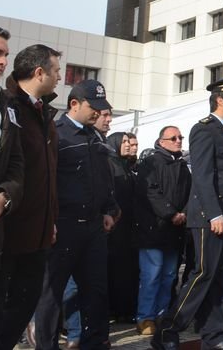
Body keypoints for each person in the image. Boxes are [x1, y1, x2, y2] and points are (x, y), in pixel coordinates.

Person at [152, 76, 223, 350]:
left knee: (215, 277)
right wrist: (215, 214)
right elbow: (204, 177)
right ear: (220, 100)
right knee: (202, 274)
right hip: (210, 217)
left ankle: (214, 336)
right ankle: (167, 331)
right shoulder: (204, 129)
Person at [34, 80, 119, 350]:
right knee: (51, 293)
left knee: (95, 291)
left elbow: (102, 178)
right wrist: (48, 220)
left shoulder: (96, 137)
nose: (98, 113)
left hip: (94, 227)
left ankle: (93, 343)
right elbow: (42, 182)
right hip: (64, 226)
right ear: (74, 104)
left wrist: (107, 209)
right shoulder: (55, 134)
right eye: (93, 108)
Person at [0, 44, 59, 349]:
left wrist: (51, 218)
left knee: (26, 301)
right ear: (39, 72)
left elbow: (48, 175)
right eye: (56, 70)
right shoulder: (8, 106)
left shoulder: (44, 113)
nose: (60, 77)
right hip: (9, 228)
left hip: (38, 232)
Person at [133, 126, 191, 335]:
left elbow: (190, 192)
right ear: (161, 141)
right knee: (152, 275)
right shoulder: (151, 162)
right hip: (153, 230)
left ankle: (162, 314)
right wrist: (171, 213)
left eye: (180, 137)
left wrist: (183, 212)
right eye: (173, 138)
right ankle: (145, 317)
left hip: (174, 231)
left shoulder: (183, 166)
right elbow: (150, 191)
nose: (178, 141)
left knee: (169, 275)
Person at [0, 26, 24, 342]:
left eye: (5, 54)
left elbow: (16, 164)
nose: (2, 61)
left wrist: (5, 195)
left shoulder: (6, 104)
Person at [105, 132, 139, 323]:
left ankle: (123, 308)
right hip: (115, 227)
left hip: (127, 228)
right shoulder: (111, 164)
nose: (127, 145)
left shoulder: (124, 166)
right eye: (124, 141)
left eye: (129, 142)